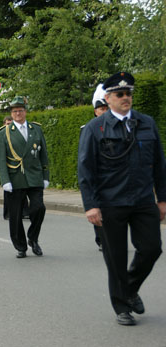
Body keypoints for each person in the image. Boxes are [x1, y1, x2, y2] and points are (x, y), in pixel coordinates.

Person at [78, 72, 166, 326]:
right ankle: (121, 307)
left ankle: (129, 288)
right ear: (108, 98)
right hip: (110, 202)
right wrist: (90, 205)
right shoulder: (96, 128)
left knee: (151, 248)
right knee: (115, 258)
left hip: (142, 199)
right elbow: (86, 168)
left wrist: (162, 199)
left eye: (128, 94)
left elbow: (160, 165)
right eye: (120, 94)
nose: (126, 98)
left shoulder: (146, 123)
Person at [0, 96, 49, 259]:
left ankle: (33, 238)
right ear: (11, 114)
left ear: (25, 112)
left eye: (20, 110)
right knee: (16, 215)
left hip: (34, 176)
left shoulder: (36, 129)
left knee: (38, 208)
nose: (17, 113)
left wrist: (45, 175)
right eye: (14, 111)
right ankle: (20, 246)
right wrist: (4, 180)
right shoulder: (4, 133)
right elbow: (1, 158)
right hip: (15, 178)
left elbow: (43, 155)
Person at [86, 84, 110, 251]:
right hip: (97, 176)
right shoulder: (88, 129)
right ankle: (102, 238)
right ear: (96, 111)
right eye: (101, 109)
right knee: (99, 208)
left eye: (106, 108)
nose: (104, 111)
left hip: (114, 177)